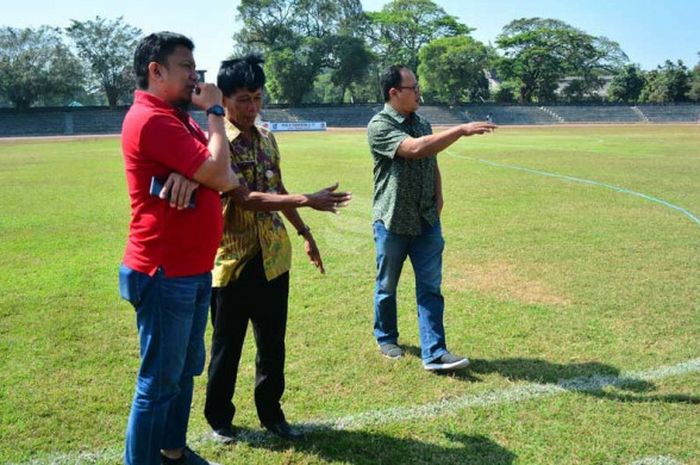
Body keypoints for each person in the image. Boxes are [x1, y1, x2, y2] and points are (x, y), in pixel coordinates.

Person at [203, 55, 352, 443]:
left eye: (256, 97)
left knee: (272, 345)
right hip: (231, 262)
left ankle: (272, 414)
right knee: (226, 347)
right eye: (242, 100)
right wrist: (308, 200)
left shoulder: (268, 137)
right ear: (225, 99)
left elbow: (279, 190)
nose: (252, 108)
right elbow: (246, 198)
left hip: (274, 260)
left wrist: (304, 232)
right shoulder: (218, 145)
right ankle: (220, 419)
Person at [119, 32, 239, 465]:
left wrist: (200, 173)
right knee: (159, 380)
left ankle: (171, 451)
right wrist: (215, 113)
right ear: (157, 71)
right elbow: (223, 174)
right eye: (186, 66)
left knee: (185, 370)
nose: (195, 75)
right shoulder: (154, 119)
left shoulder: (176, 117)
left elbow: (229, 173)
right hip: (164, 270)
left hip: (190, 269)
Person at [367, 65, 496, 371]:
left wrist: (439, 195)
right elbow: (413, 149)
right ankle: (386, 337)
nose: (419, 91)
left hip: (426, 220)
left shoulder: (422, 121)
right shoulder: (379, 125)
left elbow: (430, 158)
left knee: (430, 287)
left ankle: (435, 352)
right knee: (387, 285)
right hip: (393, 221)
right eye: (413, 87)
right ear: (394, 93)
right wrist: (460, 130)